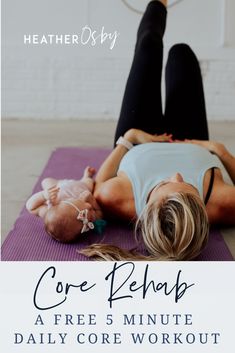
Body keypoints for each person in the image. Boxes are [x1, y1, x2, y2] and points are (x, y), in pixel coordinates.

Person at [81, 0, 235, 261]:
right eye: (189, 187)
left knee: (149, 47)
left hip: (140, 137)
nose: (176, 175)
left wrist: (128, 139)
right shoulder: (221, 204)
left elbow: (99, 188)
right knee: (181, 54)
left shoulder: (118, 199)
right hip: (191, 138)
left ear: (148, 210)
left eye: (164, 184)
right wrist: (219, 151)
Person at [26, 166, 103, 242]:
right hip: (80, 185)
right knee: (89, 183)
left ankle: (51, 187)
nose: (89, 205)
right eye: (90, 209)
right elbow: (100, 213)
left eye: (83, 203)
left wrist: (43, 195)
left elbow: (31, 208)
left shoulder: (50, 210)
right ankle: (86, 177)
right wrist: (92, 201)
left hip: (58, 187)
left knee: (46, 181)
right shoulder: (89, 219)